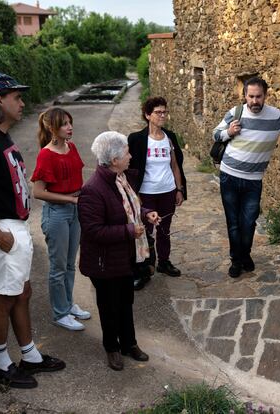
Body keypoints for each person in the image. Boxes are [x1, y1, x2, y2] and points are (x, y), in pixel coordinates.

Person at [0, 72, 65, 389]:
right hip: (3, 232)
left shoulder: (3, 136)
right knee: (1, 301)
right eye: (16, 97)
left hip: (16, 228)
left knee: (22, 293)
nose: (22, 103)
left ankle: (29, 355)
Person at [213, 76, 280, 278]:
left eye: (258, 96)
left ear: (265, 95)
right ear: (244, 96)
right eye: (250, 96)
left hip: (253, 180)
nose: (254, 101)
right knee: (233, 221)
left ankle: (245, 254)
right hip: (229, 176)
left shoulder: (277, 117)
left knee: (249, 221)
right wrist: (228, 132)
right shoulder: (236, 112)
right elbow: (215, 134)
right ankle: (237, 259)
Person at [78, 131, 160, 371]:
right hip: (105, 262)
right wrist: (127, 231)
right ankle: (111, 347)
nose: (131, 156)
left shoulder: (121, 179)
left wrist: (145, 214)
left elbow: (131, 207)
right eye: (126, 153)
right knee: (109, 305)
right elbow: (93, 231)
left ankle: (129, 343)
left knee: (125, 301)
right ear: (113, 160)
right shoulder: (93, 189)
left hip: (124, 256)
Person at [31, 108, 90, 331]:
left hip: (75, 210)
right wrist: (69, 200)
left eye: (70, 122)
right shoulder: (46, 154)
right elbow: (38, 192)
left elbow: (76, 177)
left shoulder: (71, 147)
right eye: (64, 124)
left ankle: (68, 304)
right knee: (58, 267)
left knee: (69, 264)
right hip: (57, 213)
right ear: (52, 128)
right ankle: (60, 313)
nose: (70, 127)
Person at [128, 96, 186, 288]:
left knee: (164, 230)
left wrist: (179, 189)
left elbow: (175, 165)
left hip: (167, 191)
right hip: (145, 193)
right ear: (147, 115)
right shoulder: (136, 139)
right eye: (158, 112)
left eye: (164, 112)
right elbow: (130, 168)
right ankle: (144, 268)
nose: (163, 115)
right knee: (145, 231)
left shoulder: (170, 137)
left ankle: (164, 262)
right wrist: (132, 194)